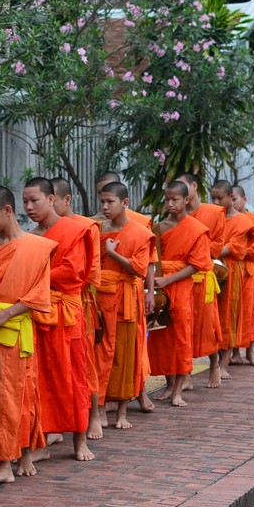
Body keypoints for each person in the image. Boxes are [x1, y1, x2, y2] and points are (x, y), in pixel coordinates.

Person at [0, 186, 54, 486]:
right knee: (0, 398)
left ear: (7, 211)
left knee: (18, 396)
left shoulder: (36, 247)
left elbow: (39, 294)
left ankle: (10, 461)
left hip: (14, 329)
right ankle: (11, 457)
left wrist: (7, 313)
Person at [22, 177, 95, 461]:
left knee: (74, 376)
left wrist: (34, 277)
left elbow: (72, 271)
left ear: (51, 199)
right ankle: (40, 440)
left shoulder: (73, 231)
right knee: (41, 379)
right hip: (39, 314)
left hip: (66, 314)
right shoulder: (30, 236)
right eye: (25, 201)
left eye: (34, 201)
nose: (29, 207)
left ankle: (80, 440)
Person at [94, 181, 155, 429]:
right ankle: (99, 411)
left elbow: (140, 269)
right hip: (102, 299)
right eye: (103, 202)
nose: (106, 207)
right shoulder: (97, 229)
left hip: (127, 301)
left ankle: (121, 412)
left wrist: (113, 254)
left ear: (125, 203)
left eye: (110, 202)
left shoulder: (140, 232)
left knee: (125, 356)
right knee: (100, 355)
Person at [147, 181, 210, 407]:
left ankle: (178, 390)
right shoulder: (158, 227)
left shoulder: (196, 229)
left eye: (175, 199)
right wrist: (155, 281)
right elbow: (151, 259)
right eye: (167, 199)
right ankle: (168, 383)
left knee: (182, 337)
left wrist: (169, 279)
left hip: (181, 286)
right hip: (160, 286)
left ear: (186, 200)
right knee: (161, 336)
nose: (171, 204)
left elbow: (197, 264)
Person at [54, 177, 103, 440]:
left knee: (85, 363)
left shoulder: (85, 228)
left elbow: (89, 270)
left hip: (78, 301)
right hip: (49, 305)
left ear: (65, 199)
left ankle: (93, 414)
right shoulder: (42, 230)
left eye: (53, 200)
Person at [176, 173, 224, 388]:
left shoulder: (213, 213)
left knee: (207, 326)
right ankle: (185, 374)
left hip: (202, 277)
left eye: (184, 186)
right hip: (180, 280)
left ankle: (214, 365)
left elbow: (216, 247)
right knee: (183, 328)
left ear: (194, 186)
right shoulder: (175, 216)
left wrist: (195, 249)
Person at [210, 180, 251, 380]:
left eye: (221, 198)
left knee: (229, 318)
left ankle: (223, 364)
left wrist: (206, 250)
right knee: (212, 318)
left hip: (232, 272)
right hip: (210, 269)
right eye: (213, 198)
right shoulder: (210, 217)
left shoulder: (242, 221)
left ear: (231, 198)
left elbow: (232, 248)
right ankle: (212, 364)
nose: (216, 202)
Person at [230, 185, 254, 367]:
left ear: (244, 200)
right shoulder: (224, 219)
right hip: (229, 271)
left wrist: (237, 251)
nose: (232, 203)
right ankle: (235, 353)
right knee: (232, 313)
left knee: (248, 313)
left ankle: (250, 352)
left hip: (247, 271)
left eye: (235, 199)